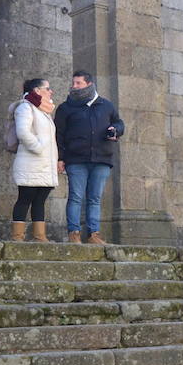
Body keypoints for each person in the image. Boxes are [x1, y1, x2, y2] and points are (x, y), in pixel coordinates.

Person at [54, 70, 125, 244]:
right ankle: (74, 233)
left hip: (101, 159)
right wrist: (60, 158)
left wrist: (116, 130)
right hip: (76, 160)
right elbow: (59, 135)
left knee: (94, 198)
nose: (74, 86)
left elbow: (119, 122)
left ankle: (94, 234)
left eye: (78, 83)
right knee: (76, 197)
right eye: (74, 83)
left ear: (89, 84)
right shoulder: (65, 108)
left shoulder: (106, 105)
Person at [8, 78, 58, 243]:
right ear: (37, 91)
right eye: (48, 88)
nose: (51, 91)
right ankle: (17, 237)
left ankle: (40, 236)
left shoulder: (44, 111)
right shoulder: (25, 107)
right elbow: (22, 131)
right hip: (30, 162)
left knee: (40, 200)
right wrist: (38, 147)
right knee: (25, 198)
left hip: (44, 165)